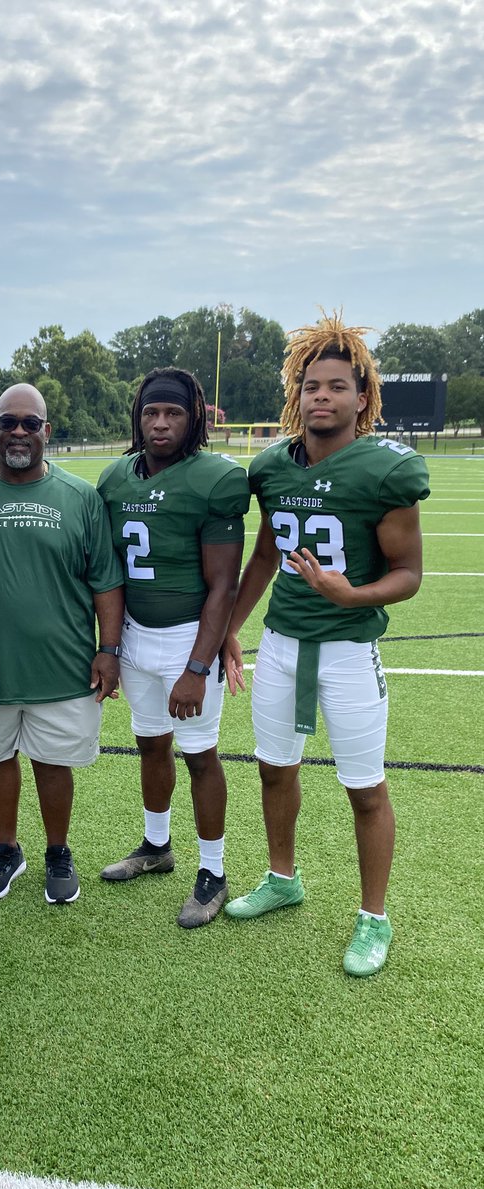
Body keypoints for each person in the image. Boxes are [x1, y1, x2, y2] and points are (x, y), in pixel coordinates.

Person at [223, 312, 430, 977]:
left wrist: (354, 594)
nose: (322, 397)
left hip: (347, 650)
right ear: (297, 393)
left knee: (364, 788)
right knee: (273, 767)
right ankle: (283, 877)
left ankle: (375, 917)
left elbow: (409, 575)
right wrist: (230, 627)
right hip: (281, 644)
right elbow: (261, 558)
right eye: (312, 386)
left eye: (337, 386)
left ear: (362, 395)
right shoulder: (273, 468)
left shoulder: (385, 471)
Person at [97, 368, 250, 926]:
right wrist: (110, 646)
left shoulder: (214, 480)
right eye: (151, 413)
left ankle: (213, 870)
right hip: (135, 637)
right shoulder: (115, 479)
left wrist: (197, 666)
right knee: (150, 744)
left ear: (195, 418)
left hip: (188, 636)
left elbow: (222, 587)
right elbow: (108, 571)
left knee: (201, 756)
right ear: (138, 417)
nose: (160, 424)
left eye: (174, 413)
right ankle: (156, 846)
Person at [0, 383, 124, 904]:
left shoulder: (80, 497)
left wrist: (110, 649)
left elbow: (105, 581)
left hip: (65, 663)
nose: (18, 432)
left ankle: (58, 850)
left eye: (30, 423)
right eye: (8, 421)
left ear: (46, 432)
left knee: (53, 763)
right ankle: (5, 850)